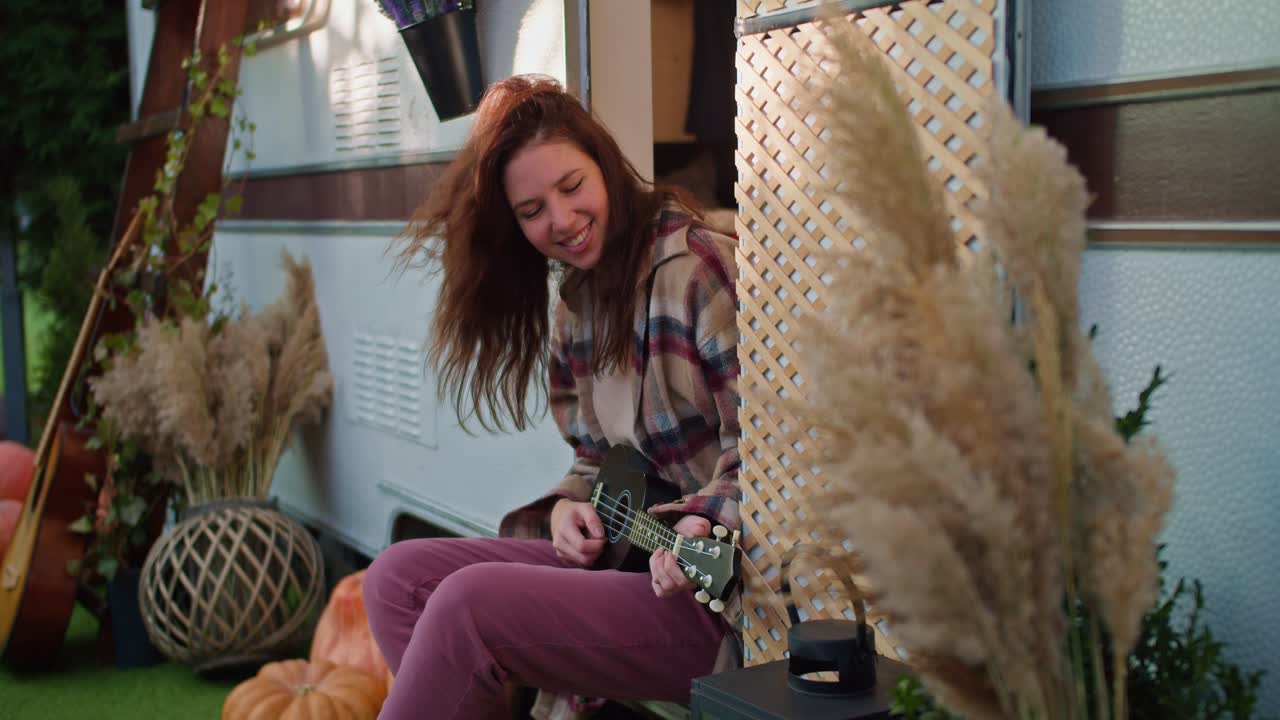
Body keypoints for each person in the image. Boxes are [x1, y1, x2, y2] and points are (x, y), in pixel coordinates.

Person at [363, 74, 741, 720]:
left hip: (717, 592)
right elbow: (598, 464)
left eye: (572, 187)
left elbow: (772, 455)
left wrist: (704, 520)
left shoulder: (695, 271)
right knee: (396, 581)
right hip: (632, 561)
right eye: (532, 211)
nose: (562, 221)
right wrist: (570, 512)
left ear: (605, 167)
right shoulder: (579, 305)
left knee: (467, 609)